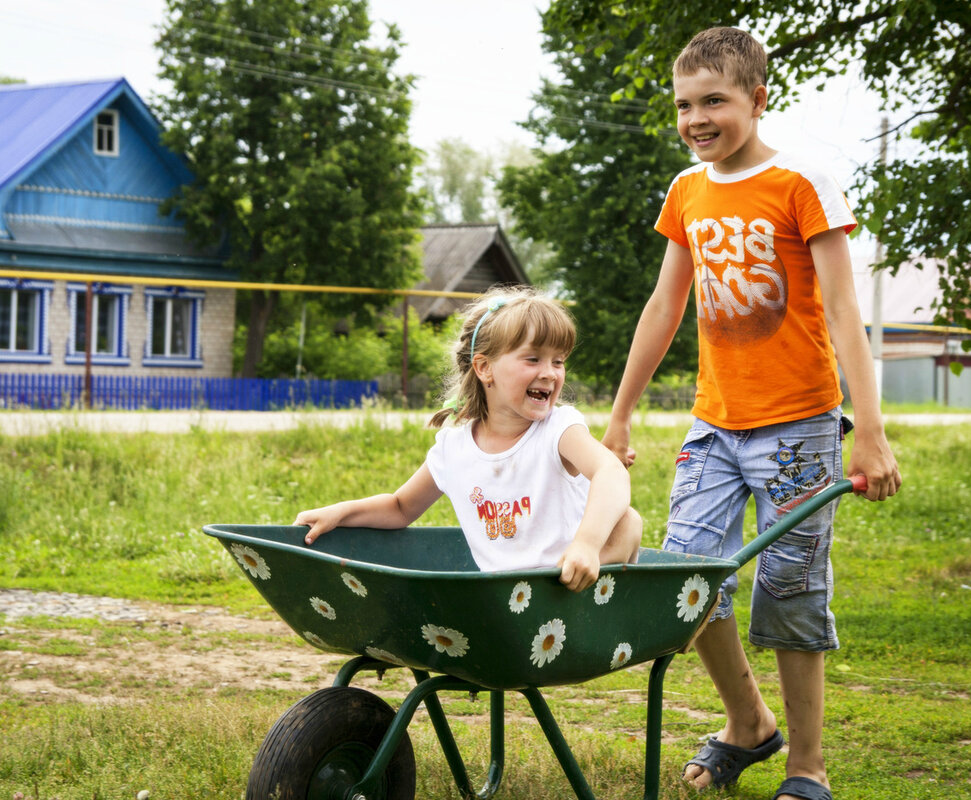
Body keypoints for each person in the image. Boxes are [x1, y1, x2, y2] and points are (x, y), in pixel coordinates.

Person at [600, 27, 902, 800]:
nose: (696, 119)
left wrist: (867, 434)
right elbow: (665, 306)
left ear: (757, 99)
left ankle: (807, 768)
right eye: (683, 105)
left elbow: (843, 310)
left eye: (714, 102)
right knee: (687, 584)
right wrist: (622, 415)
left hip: (800, 429)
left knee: (790, 592)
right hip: (714, 425)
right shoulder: (687, 192)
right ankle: (748, 723)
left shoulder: (803, 183)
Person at [294, 285, 642, 592]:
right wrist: (340, 512)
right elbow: (400, 508)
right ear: (484, 368)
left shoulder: (559, 428)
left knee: (628, 522)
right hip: (502, 597)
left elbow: (610, 472)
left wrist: (586, 545)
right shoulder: (454, 448)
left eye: (559, 361)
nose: (549, 373)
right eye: (533, 359)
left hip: (567, 584)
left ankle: (592, 577)